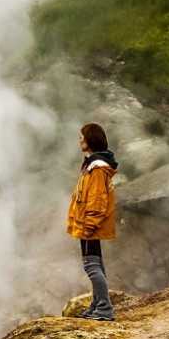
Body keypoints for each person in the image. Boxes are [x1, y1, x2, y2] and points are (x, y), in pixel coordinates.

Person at [66, 121, 118, 321]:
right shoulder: (93, 164)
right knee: (96, 263)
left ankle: (104, 309)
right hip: (86, 221)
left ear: (90, 140)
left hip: (89, 223)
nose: (80, 141)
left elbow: (97, 199)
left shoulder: (96, 169)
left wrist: (89, 224)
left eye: (82, 138)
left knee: (91, 265)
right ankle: (97, 305)